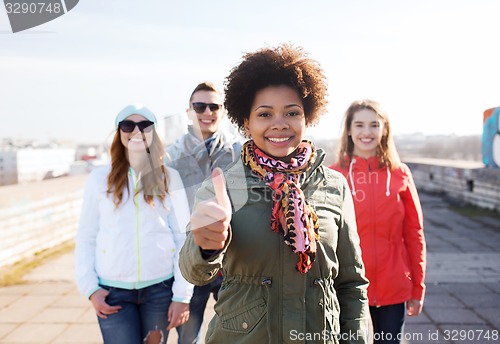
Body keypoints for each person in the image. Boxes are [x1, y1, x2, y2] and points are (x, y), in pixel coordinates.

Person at [179, 44, 370, 343]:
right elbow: (194, 272)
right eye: (265, 114)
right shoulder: (224, 186)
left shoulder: (335, 186)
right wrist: (206, 247)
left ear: (307, 117)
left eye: (291, 112)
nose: (279, 124)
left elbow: (352, 284)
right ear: (247, 122)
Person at [75, 104, 193, 344]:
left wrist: (182, 295)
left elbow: (183, 238)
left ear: (154, 133)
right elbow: (86, 236)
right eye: (128, 125)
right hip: (112, 292)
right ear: (119, 132)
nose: (136, 131)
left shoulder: (169, 178)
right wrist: (90, 289)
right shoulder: (99, 179)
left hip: (160, 289)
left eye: (145, 125)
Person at [329, 99, 426, 344]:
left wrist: (418, 287)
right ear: (349, 130)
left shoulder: (400, 173)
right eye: (359, 125)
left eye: (374, 125)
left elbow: (414, 233)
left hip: (393, 285)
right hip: (346, 288)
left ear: (384, 130)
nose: (367, 132)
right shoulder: (332, 175)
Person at [165, 82, 242, 344]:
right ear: (189, 111)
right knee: (188, 339)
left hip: (231, 260)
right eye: (200, 106)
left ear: (222, 112)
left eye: (214, 106)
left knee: (238, 334)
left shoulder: (238, 152)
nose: (207, 111)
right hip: (190, 258)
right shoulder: (171, 157)